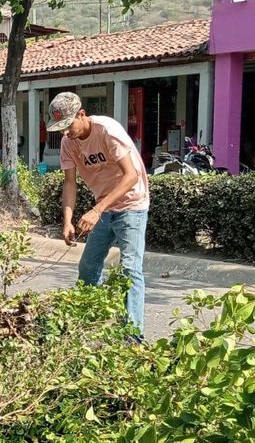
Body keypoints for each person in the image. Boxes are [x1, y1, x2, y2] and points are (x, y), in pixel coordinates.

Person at [47, 92, 150, 336]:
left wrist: (96, 210)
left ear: (81, 115)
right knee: (88, 266)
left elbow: (131, 176)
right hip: (103, 206)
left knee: (129, 270)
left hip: (132, 205)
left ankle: (133, 339)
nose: (65, 133)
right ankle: (86, 325)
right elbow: (69, 183)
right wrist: (68, 221)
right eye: (60, 128)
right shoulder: (68, 143)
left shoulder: (107, 130)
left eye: (68, 125)